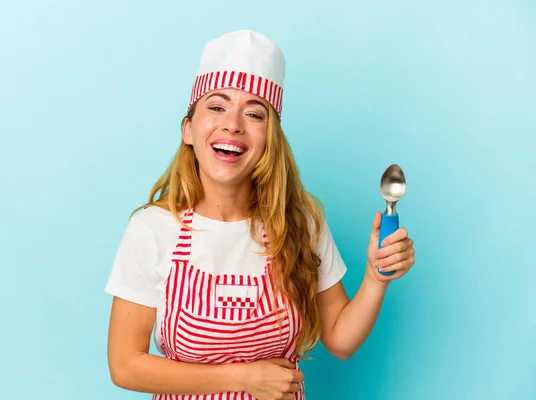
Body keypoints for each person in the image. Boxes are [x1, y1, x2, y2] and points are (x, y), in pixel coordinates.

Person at [104, 30, 415, 400]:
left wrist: (377, 277)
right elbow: (125, 365)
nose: (233, 124)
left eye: (254, 113)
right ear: (188, 129)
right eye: (216, 107)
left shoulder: (302, 223)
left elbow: (340, 340)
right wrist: (244, 379)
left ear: (270, 139)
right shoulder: (153, 230)